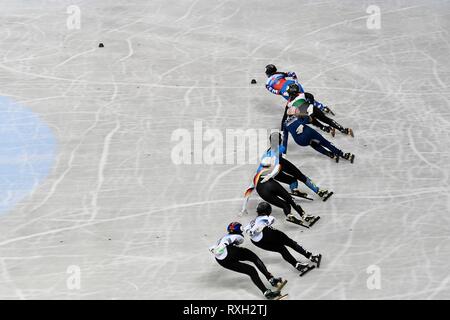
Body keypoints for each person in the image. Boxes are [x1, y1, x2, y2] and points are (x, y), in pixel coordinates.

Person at [241, 132, 320, 226]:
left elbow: (248, 191)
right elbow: (277, 165)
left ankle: (289, 215)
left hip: (260, 188)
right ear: (280, 141)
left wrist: (243, 208)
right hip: (270, 183)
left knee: (285, 205)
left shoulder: (264, 157)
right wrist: (271, 175)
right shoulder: (280, 149)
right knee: (290, 200)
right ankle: (304, 215)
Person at [209, 222, 284, 299]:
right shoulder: (237, 236)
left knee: (251, 270)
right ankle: (271, 279)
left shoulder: (223, 237)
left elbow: (216, 247)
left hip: (221, 261)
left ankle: (266, 292)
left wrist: (215, 249)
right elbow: (234, 241)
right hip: (229, 252)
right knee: (254, 257)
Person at [244, 202, 322, 273]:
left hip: (257, 242)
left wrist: (253, 230)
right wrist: (262, 226)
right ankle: (310, 256)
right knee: (290, 243)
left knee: (281, 249)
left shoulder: (252, 222)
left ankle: (297, 265)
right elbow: (271, 219)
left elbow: (245, 229)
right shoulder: (266, 217)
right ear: (268, 211)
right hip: (267, 234)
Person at [281, 90, 355, 163]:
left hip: (300, 139)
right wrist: (311, 105)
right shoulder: (301, 95)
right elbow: (311, 97)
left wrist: (283, 154)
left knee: (313, 140)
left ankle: (326, 133)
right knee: (326, 122)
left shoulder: (288, 105)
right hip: (310, 112)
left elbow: (285, 137)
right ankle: (343, 132)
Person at [285, 83, 353, 137]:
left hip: (304, 115)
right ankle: (343, 130)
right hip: (312, 109)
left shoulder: (289, 103)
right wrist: (310, 104)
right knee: (326, 119)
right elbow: (311, 96)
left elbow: (288, 115)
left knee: (313, 121)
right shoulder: (301, 94)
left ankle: (327, 129)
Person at [264, 64, 333, 114]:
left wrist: (282, 92)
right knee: (305, 97)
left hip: (285, 91)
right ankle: (322, 107)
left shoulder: (267, 83)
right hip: (293, 84)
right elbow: (292, 73)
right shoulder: (279, 73)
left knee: (300, 104)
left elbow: (273, 91)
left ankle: (311, 114)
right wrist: (296, 82)